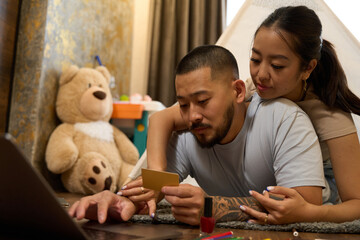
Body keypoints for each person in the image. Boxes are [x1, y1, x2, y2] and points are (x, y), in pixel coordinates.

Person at [123, 6, 360, 224]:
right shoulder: (252, 89)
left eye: (277, 66)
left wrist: (312, 213)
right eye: (255, 59)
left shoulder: (331, 115)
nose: (261, 74)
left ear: (308, 68)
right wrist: (156, 180)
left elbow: (356, 204)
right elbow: (160, 118)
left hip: (323, 180)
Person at [69, 45, 325, 225]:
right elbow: (152, 189)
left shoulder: (284, 119)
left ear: (237, 92)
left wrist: (213, 206)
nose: (192, 116)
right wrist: (118, 201)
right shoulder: (189, 134)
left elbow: (306, 204)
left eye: (202, 101)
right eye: (183, 104)